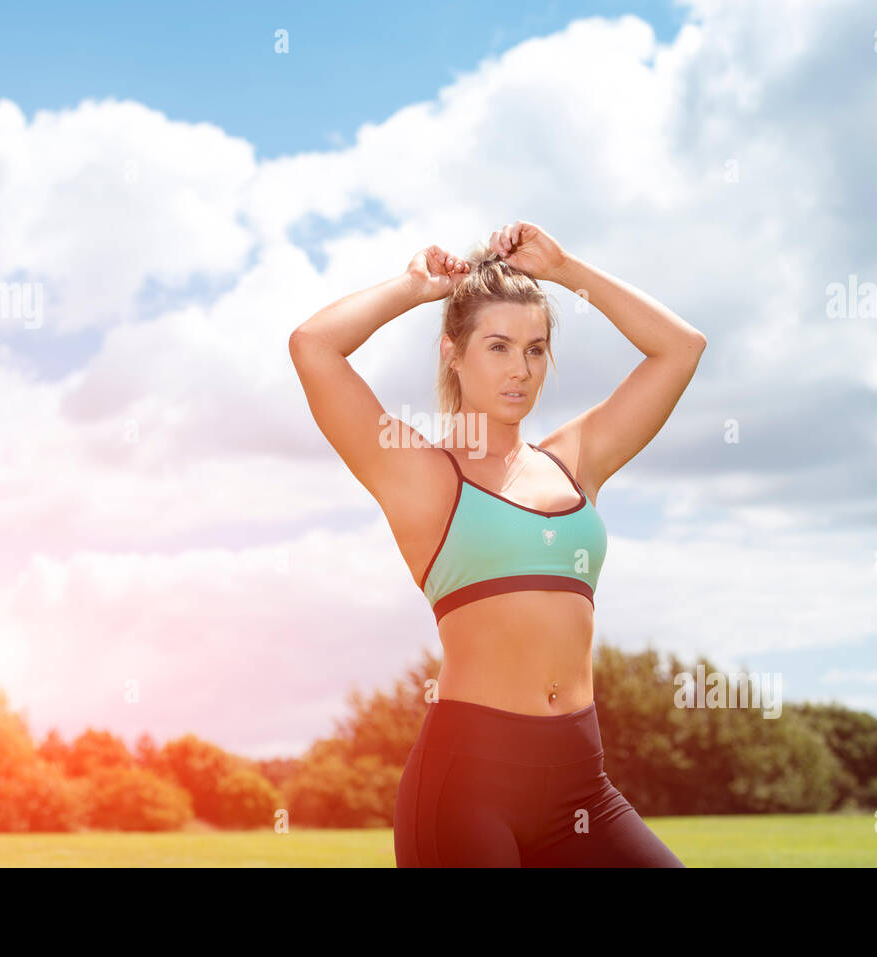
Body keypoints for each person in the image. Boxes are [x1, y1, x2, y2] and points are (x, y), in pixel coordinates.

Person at [288, 220, 706, 866]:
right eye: (500, 346)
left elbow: (681, 348)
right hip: (466, 790)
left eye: (536, 349)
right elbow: (313, 346)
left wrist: (567, 270)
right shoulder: (421, 474)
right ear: (454, 352)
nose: (521, 370)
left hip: (580, 786)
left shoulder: (575, 459)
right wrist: (411, 288)